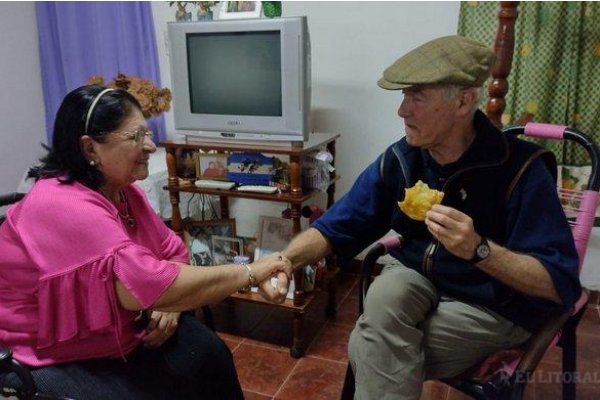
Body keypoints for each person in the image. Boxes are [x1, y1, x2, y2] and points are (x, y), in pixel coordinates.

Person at [279, 36, 581, 399]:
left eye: (417, 97)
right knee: (385, 293)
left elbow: (557, 282)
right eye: (403, 96)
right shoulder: (404, 159)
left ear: (464, 101)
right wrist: (282, 261)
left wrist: (479, 249)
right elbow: (340, 224)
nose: (402, 111)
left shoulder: (522, 170)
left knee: (368, 345)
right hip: (414, 276)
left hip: (491, 305)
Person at [0, 85, 291, 399]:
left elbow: (172, 251)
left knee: (211, 355)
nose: (151, 145)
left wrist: (171, 307)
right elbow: (148, 284)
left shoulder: (123, 191)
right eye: (136, 136)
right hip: (55, 353)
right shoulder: (60, 204)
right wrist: (252, 271)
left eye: (148, 133)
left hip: (126, 332)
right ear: (90, 149)